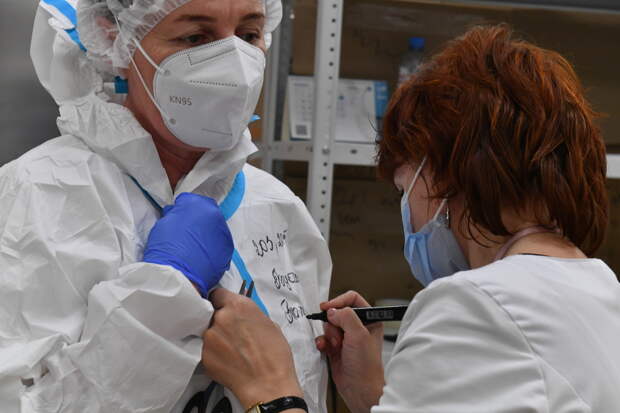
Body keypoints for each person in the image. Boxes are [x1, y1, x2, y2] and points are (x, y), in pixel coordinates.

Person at [199, 25, 620, 412]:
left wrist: (270, 389)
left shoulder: (478, 305)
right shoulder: (600, 289)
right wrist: (372, 396)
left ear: (441, 173)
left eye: (404, 190)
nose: (408, 213)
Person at [0, 0, 331, 412]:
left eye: (249, 35)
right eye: (195, 38)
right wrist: (164, 298)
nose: (235, 63)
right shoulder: (42, 193)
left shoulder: (277, 206)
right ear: (114, 38)